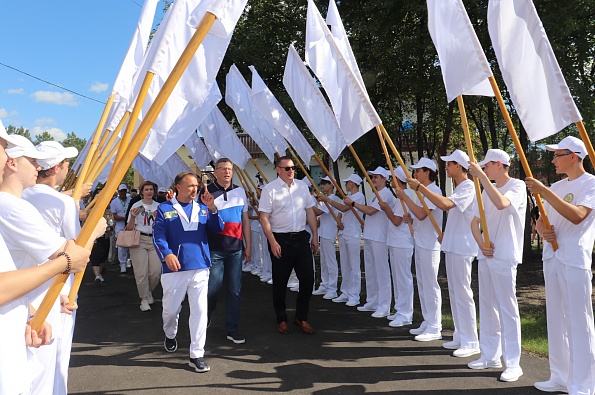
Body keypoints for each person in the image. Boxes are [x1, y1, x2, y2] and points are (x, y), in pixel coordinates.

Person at [0, 134, 105, 394]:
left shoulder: (22, 201)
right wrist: (94, 231)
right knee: (49, 378)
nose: (38, 166)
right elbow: (70, 254)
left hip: (30, 301)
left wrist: (29, 307)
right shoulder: (12, 205)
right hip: (35, 303)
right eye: (32, 160)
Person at [525, 136, 595, 394]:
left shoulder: (591, 184)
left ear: (574, 156)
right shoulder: (556, 185)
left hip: (574, 258)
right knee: (556, 318)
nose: (553, 160)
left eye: (558, 155)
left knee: (579, 320)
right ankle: (560, 376)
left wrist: (544, 191)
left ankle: (585, 384)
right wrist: (542, 229)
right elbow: (540, 218)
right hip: (552, 257)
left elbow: (578, 216)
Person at [22, 140, 85, 394]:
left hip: (24, 279)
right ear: (57, 167)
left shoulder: (20, 194)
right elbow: (76, 244)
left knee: (29, 355)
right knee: (55, 353)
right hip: (58, 279)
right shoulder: (63, 203)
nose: (67, 169)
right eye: (66, 164)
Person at [409, 150, 479, 351]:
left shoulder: (468, 186)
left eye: (449, 164)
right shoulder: (459, 187)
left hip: (463, 247)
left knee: (463, 293)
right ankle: (460, 335)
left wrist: (421, 188)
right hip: (453, 244)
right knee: (456, 293)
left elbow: (446, 205)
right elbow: (457, 216)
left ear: (459, 166)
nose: (446, 168)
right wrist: (446, 234)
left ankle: (471, 341)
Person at [153, 172, 222, 373]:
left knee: (200, 311)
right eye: (190, 185)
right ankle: (170, 333)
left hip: (200, 266)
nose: (194, 189)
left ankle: (197, 354)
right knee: (171, 310)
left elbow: (218, 228)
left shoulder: (202, 208)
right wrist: (167, 254)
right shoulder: (164, 209)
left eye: (196, 185)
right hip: (174, 268)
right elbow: (158, 236)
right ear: (178, 187)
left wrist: (212, 208)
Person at [467, 149, 526, 383]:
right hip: (487, 255)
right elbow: (474, 222)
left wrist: (481, 177)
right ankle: (490, 355)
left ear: (500, 164)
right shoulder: (485, 187)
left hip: (505, 254)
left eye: (487, 166)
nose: (485, 169)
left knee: (507, 308)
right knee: (488, 306)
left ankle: (514, 363)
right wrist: (482, 244)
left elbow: (502, 204)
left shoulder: (517, 186)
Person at [259, 156, 319, 335]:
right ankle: (282, 319)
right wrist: (272, 241)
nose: (291, 171)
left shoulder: (302, 187)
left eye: (293, 168)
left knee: (308, 279)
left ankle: (301, 317)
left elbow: (309, 211)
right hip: (281, 239)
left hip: (301, 238)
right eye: (287, 168)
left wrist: (315, 236)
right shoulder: (270, 190)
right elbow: (264, 217)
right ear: (278, 170)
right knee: (280, 282)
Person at [395, 158, 444, 342]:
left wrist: (405, 197)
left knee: (430, 285)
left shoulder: (433, 190)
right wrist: (410, 219)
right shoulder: (421, 192)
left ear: (427, 172)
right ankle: (428, 320)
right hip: (421, 241)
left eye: (418, 171)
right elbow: (417, 215)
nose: (414, 174)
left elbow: (423, 214)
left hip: (430, 244)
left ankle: (435, 326)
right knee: (423, 284)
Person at [204, 158, 251, 344]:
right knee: (212, 290)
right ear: (215, 171)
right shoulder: (206, 192)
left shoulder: (240, 191)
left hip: (236, 249)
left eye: (230, 169)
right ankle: (205, 317)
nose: (227, 172)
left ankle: (232, 328)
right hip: (215, 248)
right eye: (223, 168)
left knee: (235, 291)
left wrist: (249, 246)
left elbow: (245, 220)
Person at [345, 167, 395, 319]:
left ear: (384, 179)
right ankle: (372, 301)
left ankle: (384, 305)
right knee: (371, 270)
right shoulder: (375, 194)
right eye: (372, 177)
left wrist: (353, 204)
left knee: (382, 272)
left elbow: (371, 211)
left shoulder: (386, 193)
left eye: (376, 177)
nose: (373, 179)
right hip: (370, 235)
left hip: (380, 237)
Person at [319, 173, 364, 306]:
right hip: (345, 233)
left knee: (354, 266)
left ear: (353, 183)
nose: (345, 185)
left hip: (353, 234)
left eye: (347, 182)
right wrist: (339, 223)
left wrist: (329, 201)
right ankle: (345, 292)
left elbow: (345, 208)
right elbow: (342, 212)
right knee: (345, 265)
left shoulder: (359, 197)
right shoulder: (348, 197)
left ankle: (354, 295)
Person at [379, 167, 415, 328]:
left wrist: (386, 208)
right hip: (396, 241)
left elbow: (396, 220)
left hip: (403, 242)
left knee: (403, 278)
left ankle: (406, 313)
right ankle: (400, 309)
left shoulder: (404, 198)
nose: (390, 180)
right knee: (398, 277)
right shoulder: (400, 197)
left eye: (392, 177)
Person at [125, 180, 161, 312]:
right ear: (142, 192)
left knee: (155, 272)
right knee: (141, 272)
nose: (149, 192)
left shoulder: (159, 206)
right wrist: (133, 217)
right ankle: (144, 299)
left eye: (151, 189)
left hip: (154, 240)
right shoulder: (136, 205)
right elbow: (129, 228)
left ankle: (148, 291)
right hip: (139, 239)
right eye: (146, 189)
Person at [312, 176, 340, 300]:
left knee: (330, 261)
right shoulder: (325, 200)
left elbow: (318, 212)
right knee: (323, 261)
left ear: (331, 185)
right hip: (323, 232)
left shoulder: (332, 199)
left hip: (329, 233)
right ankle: (324, 284)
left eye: (325, 183)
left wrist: (307, 203)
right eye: (321, 183)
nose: (322, 186)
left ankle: (332, 288)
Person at [110, 184, 131, 273]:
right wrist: (126, 218)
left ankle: (128, 260)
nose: (123, 192)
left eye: (124, 191)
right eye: (121, 191)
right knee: (121, 246)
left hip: (130, 226)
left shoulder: (130, 200)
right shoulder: (114, 202)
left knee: (130, 244)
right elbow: (115, 216)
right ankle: (122, 264)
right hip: (120, 226)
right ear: (118, 192)